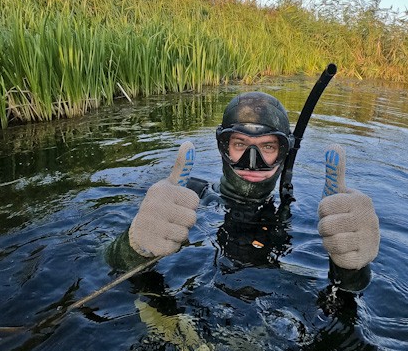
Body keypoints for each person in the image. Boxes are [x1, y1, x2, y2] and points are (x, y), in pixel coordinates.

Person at [106, 91, 380, 293]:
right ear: (222, 147)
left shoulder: (312, 214)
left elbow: (346, 299)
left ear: (285, 153)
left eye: (268, 147)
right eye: (240, 144)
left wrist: (352, 269)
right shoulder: (180, 200)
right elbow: (101, 265)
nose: (253, 161)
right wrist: (131, 249)